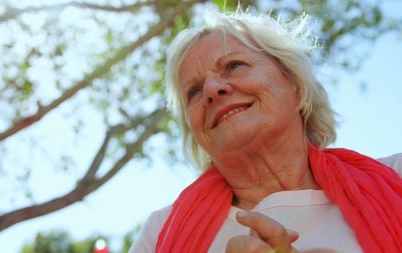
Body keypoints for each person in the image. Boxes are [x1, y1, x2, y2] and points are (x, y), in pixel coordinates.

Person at [129, 10, 402, 253]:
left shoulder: (396, 177)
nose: (212, 89)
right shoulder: (159, 232)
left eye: (234, 66)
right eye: (194, 91)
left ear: (294, 83)